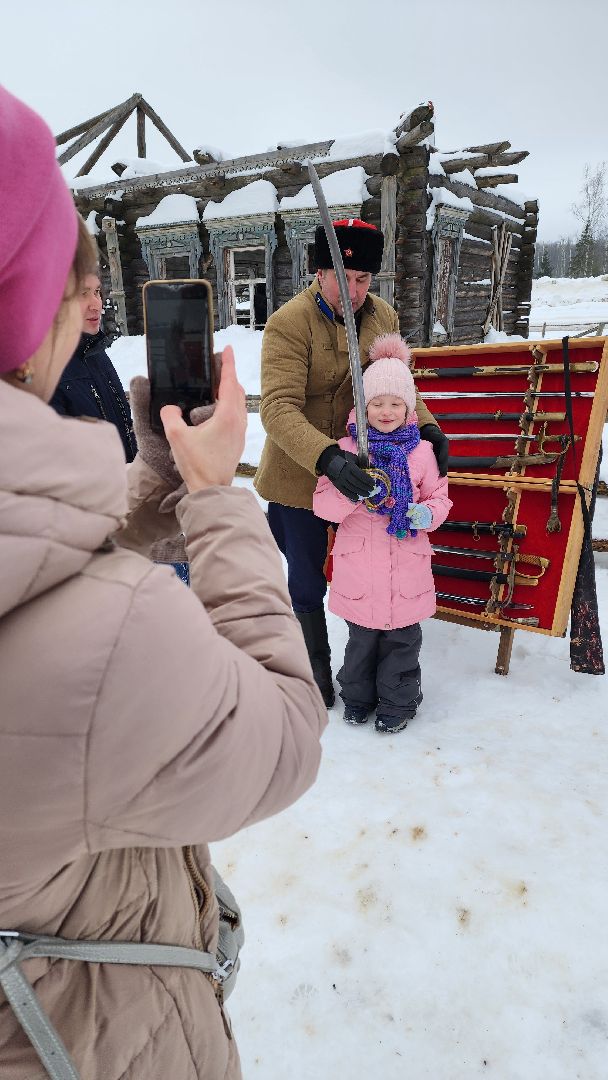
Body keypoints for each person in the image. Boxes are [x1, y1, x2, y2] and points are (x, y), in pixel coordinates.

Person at [0, 85, 326, 1080]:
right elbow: (282, 734)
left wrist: (143, 487)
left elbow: (38, 556)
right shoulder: (109, 648)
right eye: (66, 279)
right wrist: (210, 492)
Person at [254, 219, 449, 708]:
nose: (353, 291)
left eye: (363, 280)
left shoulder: (382, 315)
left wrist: (427, 426)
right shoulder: (288, 323)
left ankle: (369, 662)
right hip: (301, 474)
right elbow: (277, 407)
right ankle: (312, 665)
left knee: (365, 566)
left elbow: (396, 381)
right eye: (342, 278)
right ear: (319, 272)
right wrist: (325, 457)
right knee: (306, 576)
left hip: (371, 472)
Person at [313, 333, 452, 733]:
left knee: (402, 646)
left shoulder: (423, 453)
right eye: (377, 403)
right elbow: (323, 505)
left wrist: (425, 514)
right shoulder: (348, 453)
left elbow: (440, 497)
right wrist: (353, 494)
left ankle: (398, 704)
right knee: (361, 644)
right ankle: (357, 699)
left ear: (409, 408)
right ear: (363, 406)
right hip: (360, 571)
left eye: (395, 403)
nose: (386, 411)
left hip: (407, 568)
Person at [50, 271, 137, 461]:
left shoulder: (94, 351)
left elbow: (120, 427)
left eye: (97, 291)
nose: (97, 304)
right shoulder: (43, 371)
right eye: (83, 294)